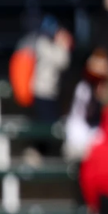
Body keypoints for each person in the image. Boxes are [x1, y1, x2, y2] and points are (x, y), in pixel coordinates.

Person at [27, 16, 72, 162]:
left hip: (51, 92)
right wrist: (63, 44)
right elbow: (62, 61)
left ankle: (43, 153)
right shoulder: (42, 44)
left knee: (51, 124)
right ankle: (35, 153)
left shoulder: (49, 44)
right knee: (46, 124)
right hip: (42, 91)